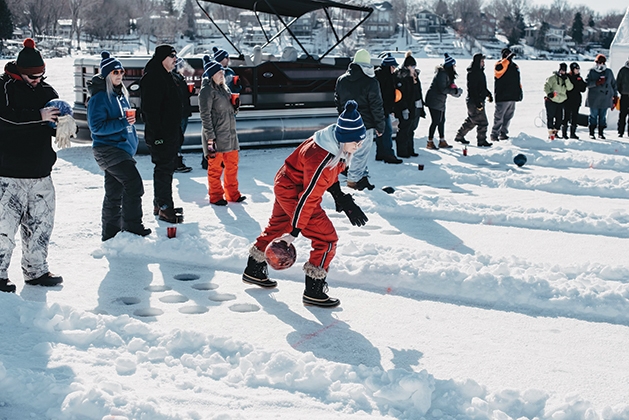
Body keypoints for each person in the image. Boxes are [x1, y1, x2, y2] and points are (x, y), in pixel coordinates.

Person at [241, 100, 369, 308]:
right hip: (294, 191)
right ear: (345, 137)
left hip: (286, 182)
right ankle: (314, 291)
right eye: (356, 141)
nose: (359, 145)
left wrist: (340, 197)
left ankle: (253, 269)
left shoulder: (334, 142)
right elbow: (308, 197)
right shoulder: (322, 158)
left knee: (277, 227)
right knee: (326, 238)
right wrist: (294, 232)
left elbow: (329, 175)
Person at [0, 38, 64, 292]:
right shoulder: (4, 87)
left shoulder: (47, 92)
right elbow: (5, 118)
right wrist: (38, 116)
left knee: (40, 226)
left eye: (41, 75)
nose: (38, 80)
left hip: (41, 173)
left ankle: (36, 271)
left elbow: (56, 120)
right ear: (21, 73)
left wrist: (64, 126)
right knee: (3, 229)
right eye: (33, 76)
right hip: (9, 174)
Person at [87, 51, 151, 241]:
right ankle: (132, 226)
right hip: (108, 150)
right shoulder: (99, 97)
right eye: (115, 72)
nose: (120, 75)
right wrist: (124, 122)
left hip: (121, 150)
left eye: (121, 71)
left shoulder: (120, 94)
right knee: (134, 185)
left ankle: (110, 233)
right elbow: (96, 127)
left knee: (114, 192)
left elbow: (125, 121)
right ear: (107, 75)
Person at [140, 44, 184, 223]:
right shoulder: (153, 78)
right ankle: (165, 207)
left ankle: (160, 203)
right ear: (162, 58)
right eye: (172, 56)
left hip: (170, 132)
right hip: (161, 135)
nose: (175, 60)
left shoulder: (167, 76)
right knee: (163, 169)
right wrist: (158, 137)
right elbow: (150, 111)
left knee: (167, 168)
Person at [335, 49, 385, 191]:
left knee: (351, 153)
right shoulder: (370, 81)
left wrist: (344, 117)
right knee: (361, 154)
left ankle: (362, 178)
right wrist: (380, 126)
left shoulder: (342, 79)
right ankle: (353, 181)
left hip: (347, 124)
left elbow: (338, 100)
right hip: (365, 124)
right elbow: (376, 105)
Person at [199, 57, 246, 206]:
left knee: (232, 166)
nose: (222, 75)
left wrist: (235, 106)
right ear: (211, 75)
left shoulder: (225, 89)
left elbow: (230, 112)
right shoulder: (207, 91)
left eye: (222, 72)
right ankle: (216, 196)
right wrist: (210, 137)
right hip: (216, 136)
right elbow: (205, 115)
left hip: (230, 135)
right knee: (215, 168)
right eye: (219, 72)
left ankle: (233, 194)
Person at [454, 53, 493, 147]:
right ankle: (481, 141)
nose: (484, 63)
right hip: (474, 101)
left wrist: (488, 94)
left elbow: (482, 87)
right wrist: (478, 103)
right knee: (483, 122)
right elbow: (473, 89)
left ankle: (459, 136)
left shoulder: (479, 72)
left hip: (476, 100)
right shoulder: (473, 73)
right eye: (482, 61)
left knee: (472, 120)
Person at [424, 53, 462, 149]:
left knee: (442, 121)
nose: (455, 67)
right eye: (453, 65)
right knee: (436, 121)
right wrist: (454, 91)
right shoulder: (442, 74)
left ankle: (442, 140)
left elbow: (447, 87)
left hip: (440, 101)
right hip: (434, 100)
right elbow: (443, 89)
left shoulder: (447, 74)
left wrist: (455, 91)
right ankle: (430, 141)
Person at [393, 51, 426, 157]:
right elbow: (401, 95)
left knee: (411, 129)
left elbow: (417, 91)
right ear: (407, 67)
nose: (414, 68)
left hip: (414, 106)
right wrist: (404, 108)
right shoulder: (402, 77)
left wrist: (420, 103)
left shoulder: (415, 76)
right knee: (404, 129)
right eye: (412, 66)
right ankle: (402, 151)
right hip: (405, 107)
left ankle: (410, 149)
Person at [374, 53, 402, 164]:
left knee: (380, 132)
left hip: (380, 109)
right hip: (382, 109)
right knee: (387, 132)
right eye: (394, 67)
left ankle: (380, 153)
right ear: (389, 66)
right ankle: (389, 155)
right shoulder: (385, 78)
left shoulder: (380, 75)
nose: (395, 69)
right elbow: (387, 96)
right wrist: (389, 109)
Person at [491, 48, 523, 142]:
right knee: (499, 117)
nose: (508, 56)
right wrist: (506, 60)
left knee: (508, 117)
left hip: (512, 95)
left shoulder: (515, 66)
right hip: (502, 96)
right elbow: (499, 71)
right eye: (506, 54)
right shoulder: (499, 64)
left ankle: (503, 133)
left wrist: (520, 91)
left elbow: (518, 80)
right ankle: (494, 134)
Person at [585, 54, 617, 140]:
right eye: (598, 62)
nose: (600, 64)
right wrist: (596, 83)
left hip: (606, 98)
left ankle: (601, 133)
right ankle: (591, 133)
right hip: (594, 98)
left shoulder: (609, 72)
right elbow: (587, 84)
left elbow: (614, 84)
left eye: (601, 63)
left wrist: (615, 96)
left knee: (602, 117)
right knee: (593, 116)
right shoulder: (591, 71)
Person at [172, 57, 193, 173]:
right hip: (180, 112)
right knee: (177, 138)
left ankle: (177, 161)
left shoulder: (179, 77)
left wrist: (189, 92)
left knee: (179, 137)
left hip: (183, 111)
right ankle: (177, 162)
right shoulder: (175, 78)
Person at [543, 62, 573, 140]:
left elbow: (570, 88)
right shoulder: (552, 78)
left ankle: (555, 133)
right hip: (551, 100)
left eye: (564, 71)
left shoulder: (566, 79)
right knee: (550, 117)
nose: (562, 72)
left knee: (559, 119)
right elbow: (546, 86)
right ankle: (551, 135)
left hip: (561, 101)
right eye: (561, 70)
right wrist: (549, 94)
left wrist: (566, 79)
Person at [564, 62, 587, 139]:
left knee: (575, 117)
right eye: (576, 69)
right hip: (568, 100)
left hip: (576, 100)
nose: (577, 70)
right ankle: (564, 133)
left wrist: (581, 83)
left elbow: (583, 89)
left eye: (578, 69)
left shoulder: (579, 78)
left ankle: (572, 133)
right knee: (566, 116)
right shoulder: (567, 77)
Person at [616, 58, 629, 137]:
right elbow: (618, 82)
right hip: (624, 95)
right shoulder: (623, 70)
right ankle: (620, 131)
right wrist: (621, 91)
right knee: (622, 114)